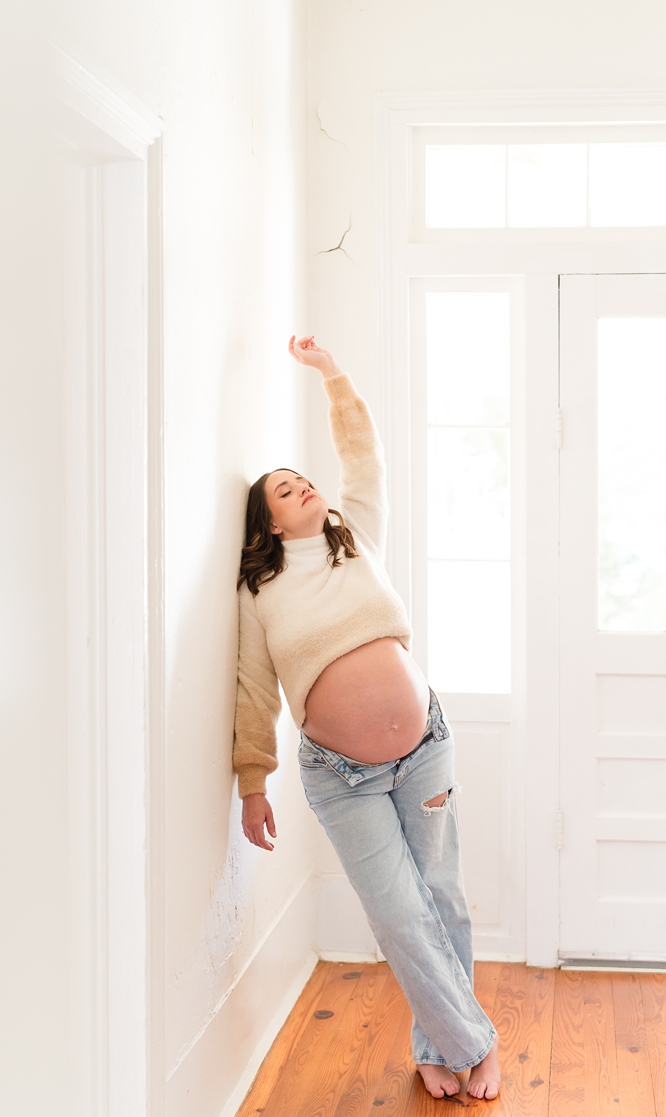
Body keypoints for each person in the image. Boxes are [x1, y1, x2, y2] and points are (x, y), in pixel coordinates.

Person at [233, 335, 501, 1102]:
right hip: (341, 775)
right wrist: (254, 781)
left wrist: (330, 373)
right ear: (271, 525)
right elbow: (254, 690)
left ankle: (441, 1045)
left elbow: (364, 457)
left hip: (425, 747)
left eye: (302, 478)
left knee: (439, 897)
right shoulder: (263, 593)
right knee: (397, 910)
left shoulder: (359, 539)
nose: (304, 485)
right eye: (285, 489)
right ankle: (475, 1042)